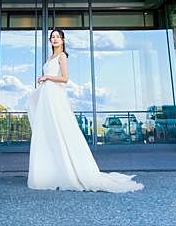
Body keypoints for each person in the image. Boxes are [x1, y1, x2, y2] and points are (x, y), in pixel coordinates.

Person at [25, 28, 144, 193]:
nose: (55, 39)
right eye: (52, 37)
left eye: (58, 37)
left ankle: (73, 170)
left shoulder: (62, 56)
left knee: (62, 130)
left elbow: (65, 78)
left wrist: (47, 77)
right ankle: (53, 171)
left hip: (55, 97)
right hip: (47, 96)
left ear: (63, 40)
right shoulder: (50, 57)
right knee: (49, 132)